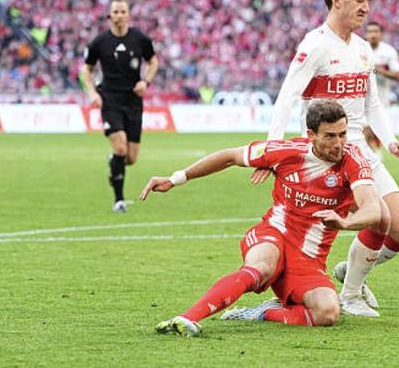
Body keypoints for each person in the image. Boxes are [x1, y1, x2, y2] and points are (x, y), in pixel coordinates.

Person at [252, 0, 399, 317]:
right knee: (379, 218)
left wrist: (390, 141)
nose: (366, 7)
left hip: (361, 149)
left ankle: (351, 271)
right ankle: (351, 294)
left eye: (368, 1)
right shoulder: (315, 45)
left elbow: (372, 104)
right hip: (328, 154)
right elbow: (287, 97)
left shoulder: (363, 49)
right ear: (337, 1)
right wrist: (272, 149)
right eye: (359, 0)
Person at [139, 100, 381, 336]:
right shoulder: (286, 152)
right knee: (261, 268)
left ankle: (263, 312)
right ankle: (186, 319)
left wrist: (345, 223)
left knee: (327, 314)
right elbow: (230, 156)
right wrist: (176, 178)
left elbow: (373, 209)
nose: (338, 144)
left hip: (309, 259)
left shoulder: (353, 160)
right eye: (330, 136)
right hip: (275, 234)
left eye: (342, 134)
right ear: (311, 135)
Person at [80, 0, 159, 213]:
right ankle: (119, 200)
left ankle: (114, 162)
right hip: (110, 100)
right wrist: (92, 92)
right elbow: (86, 69)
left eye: (123, 11)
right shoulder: (99, 42)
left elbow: (153, 61)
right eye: (115, 12)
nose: (119, 16)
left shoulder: (140, 39)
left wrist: (146, 81)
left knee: (130, 158)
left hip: (133, 101)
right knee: (120, 147)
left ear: (128, 15)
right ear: (109, 15)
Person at [363, 21, 399, 151]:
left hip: (381, 98)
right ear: (366, 34)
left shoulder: (388, 52)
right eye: (370, 32)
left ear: (381, 34)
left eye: (376, 31)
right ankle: (371, 158)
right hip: (361, 97)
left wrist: (380, 71)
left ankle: (374, 154)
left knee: (374, 133)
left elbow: (398, 76)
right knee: (366, 132)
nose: (373, 34)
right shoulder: (360, 49)